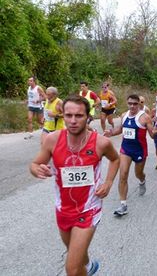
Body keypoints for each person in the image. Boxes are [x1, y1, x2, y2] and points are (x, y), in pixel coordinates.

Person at [30, 94, 120, 276]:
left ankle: (82, 267)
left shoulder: (101, 143)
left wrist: (109, 182)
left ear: (88, 117)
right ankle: (88, 266)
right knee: (77, 257)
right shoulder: (52, 140)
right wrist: (37, 169)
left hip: (88, 209)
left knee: (71, 268)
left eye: (78, 116)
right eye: (68, 115)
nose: (72, 121)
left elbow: (115, 159)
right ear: (62, 116)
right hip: (63, 208)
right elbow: (35, 163)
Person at [104, 94, 154, 216]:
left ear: (139, 104)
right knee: (123, 174)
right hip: (125, 150)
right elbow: (120, 129)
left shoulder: (145, 117)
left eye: (135, 104)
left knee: (138, 173)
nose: (132, 106)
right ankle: (123, 205)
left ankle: (142, 181)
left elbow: (152, 135)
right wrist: (111, 133)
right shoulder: (124, 115)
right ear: (127, 103)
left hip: (140, 151)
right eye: (130, 103)